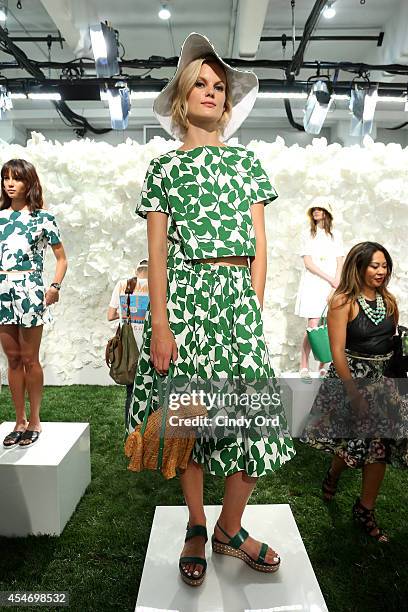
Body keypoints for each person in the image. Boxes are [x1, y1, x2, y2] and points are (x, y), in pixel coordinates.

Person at [125, 32, 295, 586]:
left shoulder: (247, 163)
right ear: (181, 97)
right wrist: (160, 324)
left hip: (236, 302)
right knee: (195, 425)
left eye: (219, 86)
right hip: (189, 301)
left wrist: (254, 307)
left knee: (251, 423)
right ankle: (197, 525)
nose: (211, 92)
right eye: (200, 83)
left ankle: (230, 526)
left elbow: (259, 242)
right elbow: (155, 256)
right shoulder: (163, 169)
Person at [301, 241, 408, 542]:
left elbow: (391, 344)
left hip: (383, 383)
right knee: (350, 446)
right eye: (375, 265)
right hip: (352, 378)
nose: (381, 271)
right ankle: (334, 474)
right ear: (359, 267)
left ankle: (364, 509)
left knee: (378, 448)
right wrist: (353, 393)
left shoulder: (389, 302)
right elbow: (336, 352)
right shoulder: (342, 301)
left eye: (384, 265)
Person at [0, 159, 67, 447]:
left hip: (29, 289)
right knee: (12, 359)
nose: (9, 183)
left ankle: (35, 420)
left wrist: (54, 286)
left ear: (29, 182)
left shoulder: (44, 218)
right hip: (1, 289)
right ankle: (19, 420)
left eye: (16, 178)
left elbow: (62, 258)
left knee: (30, 358)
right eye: (5, 178)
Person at [295, 198, 344, 380]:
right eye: (313, 209)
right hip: (313, 283)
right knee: (313, 327)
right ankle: (304, 365)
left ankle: (323, 365)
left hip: (332, 285)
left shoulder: (335, 235)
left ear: (326, 213)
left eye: (320, 209)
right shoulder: (307, 234)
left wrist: (336, 282)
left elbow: (340, 260)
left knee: (329, 325)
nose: (316, 211)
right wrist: (330, 279)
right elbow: (308, 262)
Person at [107, 259, 149, 424]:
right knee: (153, 391)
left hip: (129, 349)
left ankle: (130, 430)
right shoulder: (157, 284)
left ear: (136, 270)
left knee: (131, 392)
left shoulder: (122, 284)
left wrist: (126, 314)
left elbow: (110, 315)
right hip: (148, 344)